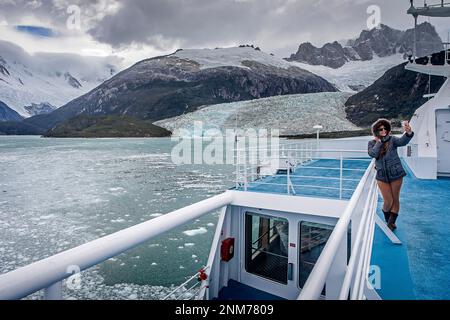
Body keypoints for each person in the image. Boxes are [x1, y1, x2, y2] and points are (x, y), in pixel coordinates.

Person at [368, 119, 414, 231]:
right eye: (380, 129)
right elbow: (373, 154)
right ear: (376, 131)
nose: (383, 130)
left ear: (388, 129)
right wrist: (379, 142)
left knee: (395, 199)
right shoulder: (372, 143)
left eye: (385, 128)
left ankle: (391, 222)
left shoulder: (393, 140)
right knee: (388, 200)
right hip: (382, 175)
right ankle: (387, 217)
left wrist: (408, 132)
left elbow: (403, 141)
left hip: (396, 173)